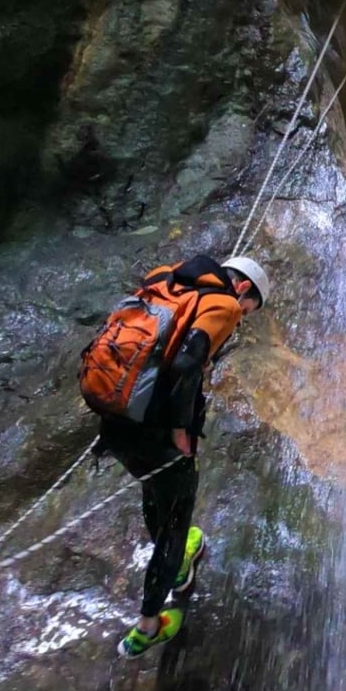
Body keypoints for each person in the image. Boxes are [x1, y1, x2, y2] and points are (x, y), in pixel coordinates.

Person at [97, 253, 270, 658]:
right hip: (155, 428)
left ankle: (175, 559)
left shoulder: (167, 281)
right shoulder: (223, 305)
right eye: (248, 310)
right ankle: (148, 626)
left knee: (154, 490)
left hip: (118, 414)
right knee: (177, 520)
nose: (241, 317)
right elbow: (187, 362)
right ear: (243, 288)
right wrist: (180, 429)